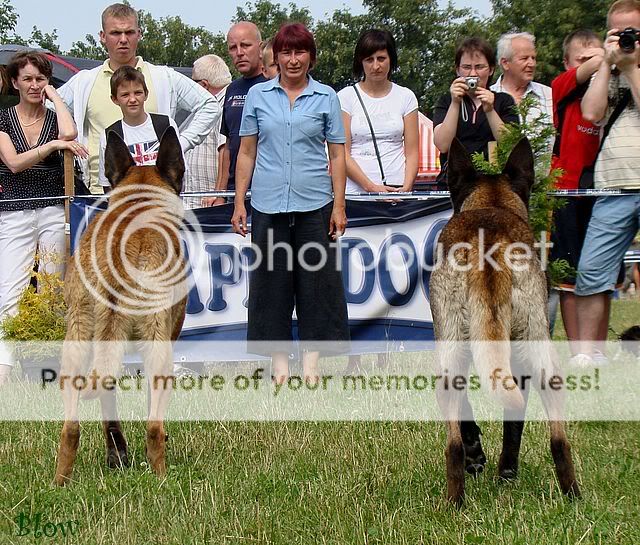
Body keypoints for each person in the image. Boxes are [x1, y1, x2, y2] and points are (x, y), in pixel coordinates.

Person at [231, 23, 349, 384]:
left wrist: (339, 206)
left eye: (300, 52)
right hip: (267, 204)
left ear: (311, 57)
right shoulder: (258, 96)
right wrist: (239, 202)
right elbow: (246, 152)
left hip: (316, 203)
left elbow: (337, 155)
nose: (293, 59)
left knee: (317, 284)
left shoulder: (327, 97)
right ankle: (280, 365)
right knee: (271, 286)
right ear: (276, 57)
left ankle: (311, 365)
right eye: (286, 52)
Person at [56, 3, 219, 194]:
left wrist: (180, 144)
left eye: (129, 32)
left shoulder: (164, 77)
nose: (123, 39)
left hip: (158, 193)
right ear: (102, 36)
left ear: (139, 34)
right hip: (101, 195)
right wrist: (62, 141)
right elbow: (46, 110)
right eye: (115, 33)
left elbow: (210, 106)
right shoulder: (83, 82)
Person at [0, 51, 87, 385]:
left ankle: (45, 369)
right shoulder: (3, 119)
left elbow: (69, 132)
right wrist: (51, 147)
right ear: (15, 82)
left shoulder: (53, 118)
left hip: (52, 209)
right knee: (11, 290)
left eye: (40, 79)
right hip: (15, 211)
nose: (34, 85)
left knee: (51, 289)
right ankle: (4, 369)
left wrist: (56, 97)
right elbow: (14, 163)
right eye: (28, 79)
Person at [337, 29, 419, 371]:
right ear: (361, 62)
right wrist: (371, 187)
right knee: (356, 275)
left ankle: (386, 351)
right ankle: (354, 356)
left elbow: (412, 149)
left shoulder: (406, 97)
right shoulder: (346, 97)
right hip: (358, 197)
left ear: (390, 60)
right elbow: (341, 152)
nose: (375, 65)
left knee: (393, 273)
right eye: (369, 59)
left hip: (397, 199)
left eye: (381, 58)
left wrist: (406, 188)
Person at [575, 0, 640, 365]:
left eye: (633, 32)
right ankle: (588, 355)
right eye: (618, 32)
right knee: (592, 271)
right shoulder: (608, 68)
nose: (626, 38)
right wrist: (607, 63)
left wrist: (631, 68)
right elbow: (591, 112)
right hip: (613, 185)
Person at [549, 30, 606, 358]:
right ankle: (576, 352)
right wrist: (603, 57)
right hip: (567, 191)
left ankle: (598, 350)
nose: (591, 64)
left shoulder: (612, 87)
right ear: (567, 63)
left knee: (603, 276)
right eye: (582, 59)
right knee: (567, 277)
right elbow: (583, 72)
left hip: (604, 187)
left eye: (595, 56)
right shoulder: (562, 86)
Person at [433, 37, 519, 187]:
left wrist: (490, 110)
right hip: (454, 184)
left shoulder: (504, 101)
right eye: (466, 67)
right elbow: (443, 145)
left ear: (491, 69)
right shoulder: (446, 101)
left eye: (479, 67)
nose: (473, 73)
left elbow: (510, 145)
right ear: (457, 70)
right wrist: (455, 103)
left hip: (493, 184)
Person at [205, 21, 266, 207]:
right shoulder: (232, 89)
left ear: (260, 48)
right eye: (233, 47)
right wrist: (220, 194)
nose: (239, 52)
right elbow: (227, 146)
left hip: (267, 190)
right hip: (235, 191)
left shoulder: (273, 86)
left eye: (245, 45)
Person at [98, 66, 180, 189]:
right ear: (115, 99)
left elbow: (178, 173)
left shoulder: (166, 125)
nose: (132, 99)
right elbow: (108, 185)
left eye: (138, 93)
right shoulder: (109, 135)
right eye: (125, 95)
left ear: (146, 94)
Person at [182, 55, 232, 209]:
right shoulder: (214, 103)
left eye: (193, 82)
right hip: (201, 199)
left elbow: (225, 151)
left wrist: (218, 194)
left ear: (203, 85)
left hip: (208, 203)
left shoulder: (222, 106)